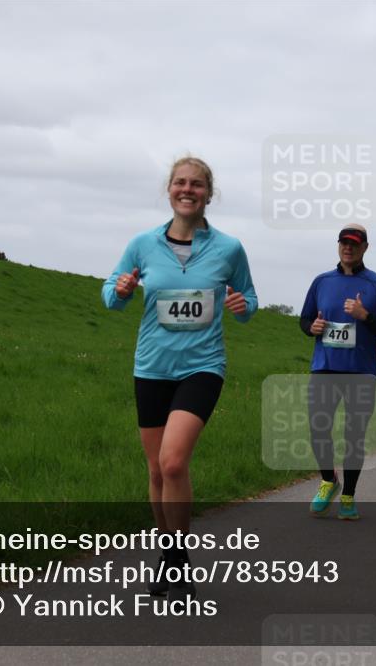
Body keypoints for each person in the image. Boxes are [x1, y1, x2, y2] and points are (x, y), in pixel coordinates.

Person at [102, 156, 258, 601]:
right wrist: (122, 291)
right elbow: (111, 295)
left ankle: (176, 558)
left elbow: (248, 296)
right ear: (169, 189)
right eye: (180, 183)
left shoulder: (229, 248)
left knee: (173, 462)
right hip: (151, 367)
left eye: (196, 185)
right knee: (155, 470)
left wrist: (244, 307)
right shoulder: (142, 244)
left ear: (209, 194)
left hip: (203, 366)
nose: (187, 190)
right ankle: (172, 557)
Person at [300, 225, 376, 520]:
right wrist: (311, 328)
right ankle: (329, 480)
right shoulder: (322, 281)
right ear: (338, 246)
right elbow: (305, 320)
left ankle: (349, 496)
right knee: (319, 428)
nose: (348, 248)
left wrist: (364, 316)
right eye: (344, 243)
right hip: (325, 367)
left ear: (365, 247)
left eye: (354, 244)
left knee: (354, 436)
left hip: (361, 371)